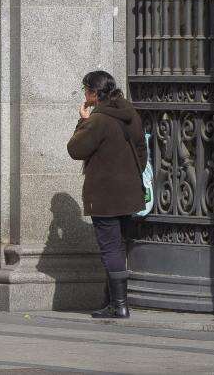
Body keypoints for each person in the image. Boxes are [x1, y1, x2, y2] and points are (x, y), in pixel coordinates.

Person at [67, 70, 148, 319]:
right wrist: (133, 176)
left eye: (86, 90)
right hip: (130, 193)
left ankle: (119, 306)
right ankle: (111, 300)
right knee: (118, 246)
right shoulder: (130, 113)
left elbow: (75, 149)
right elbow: (141, 149)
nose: (85, 95)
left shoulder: (98, 119)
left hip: (105, 195)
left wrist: (82, 120)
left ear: (93, 93)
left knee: (110, 248)